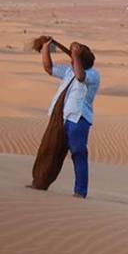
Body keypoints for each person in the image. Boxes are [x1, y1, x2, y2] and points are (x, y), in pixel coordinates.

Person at [29, 36, 100, 198]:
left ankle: (80, 192)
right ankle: (39, 182)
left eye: (75, 58)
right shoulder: (69, 72)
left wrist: (75, 55)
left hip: (79, 120)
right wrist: (46, 47)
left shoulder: (93, 75)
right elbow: (49, 68)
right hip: (62, 119)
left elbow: (81, 77)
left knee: (78, 153)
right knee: (49, 150)